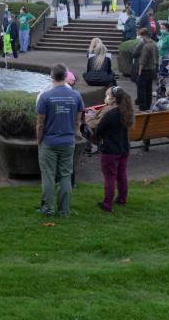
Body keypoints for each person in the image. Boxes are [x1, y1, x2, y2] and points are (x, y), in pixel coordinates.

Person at [36, 64, 84, 217]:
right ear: (65, 76)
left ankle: (48, 209)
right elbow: (78, 121)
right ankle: (64, 211)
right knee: (65, 176)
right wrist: (73, 135)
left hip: (49, 142)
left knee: (48, 176)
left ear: (51, 76)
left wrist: (39, 140)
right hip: (68, 141)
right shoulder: (76, 96)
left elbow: (40, 123)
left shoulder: (45, 96)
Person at [92, 86, 134, 212]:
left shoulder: (110, 114)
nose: (106, 98)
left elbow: (99, 132)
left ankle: (107, 204)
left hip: (110, 150)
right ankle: (122, 199)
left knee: (110, 177)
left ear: (114, 99)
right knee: (121, 175)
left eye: (107, 95)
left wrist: (92, 118)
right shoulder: (127, 111)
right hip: (123, 148)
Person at [134, 28, 159, 111]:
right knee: (149, 89)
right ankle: (148, 105)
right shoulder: (155, 44)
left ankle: (143, 107)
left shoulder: (146, 46)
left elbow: (143, 60)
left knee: (141, 89)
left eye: (141, 36)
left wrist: (140, 71)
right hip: (153, 69)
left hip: (145, 70)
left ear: (144, 36)